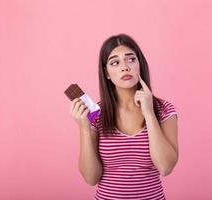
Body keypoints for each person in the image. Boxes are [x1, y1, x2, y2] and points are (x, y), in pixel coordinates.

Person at [70, 33, 179, 200]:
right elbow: (91, 179)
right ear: (107, 73)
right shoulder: (96, 114)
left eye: (131, 59)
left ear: (140, 65)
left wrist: (149, 114)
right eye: (115, 62)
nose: (124, 67)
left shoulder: (164, 110)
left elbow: (165, 167)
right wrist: (84, 128)